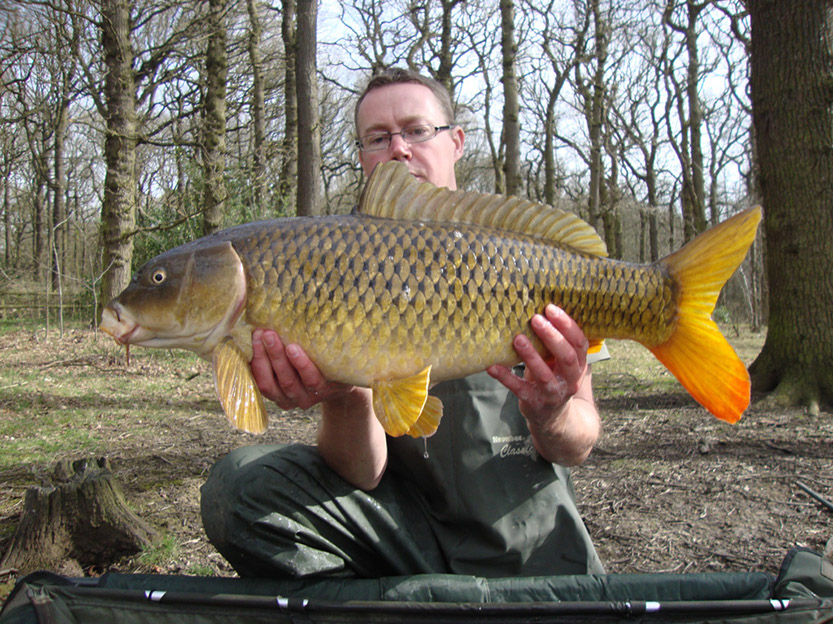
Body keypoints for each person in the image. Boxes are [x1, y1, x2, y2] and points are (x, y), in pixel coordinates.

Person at [200, 68, 605, 578]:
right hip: (410, 549)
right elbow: (362, 473)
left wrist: (552, 413)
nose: (399, 148)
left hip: (535, 549)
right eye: (377, 138)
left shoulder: (527, 255)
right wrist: (343, 390)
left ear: (456, 142)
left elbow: (581, 440)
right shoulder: (335, 264)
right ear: (365, 156)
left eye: (416, 130)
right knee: (240, 487)